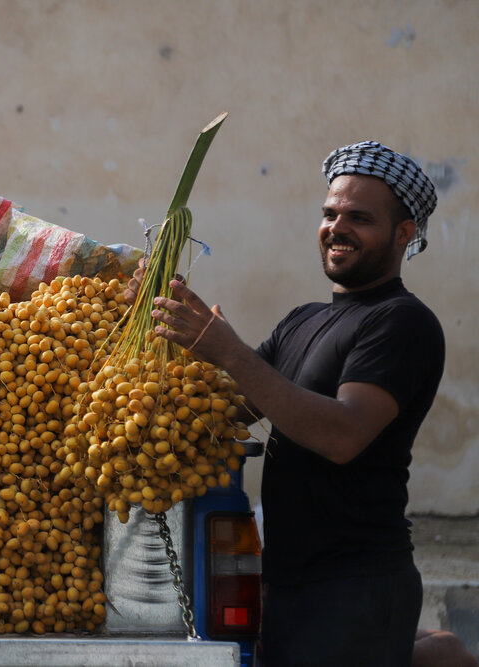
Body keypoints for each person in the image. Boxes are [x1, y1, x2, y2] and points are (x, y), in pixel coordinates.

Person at [139, 141, 445, 666]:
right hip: (287, 585)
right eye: (329, 213)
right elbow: (226, 411)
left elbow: (342, 435)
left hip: (354, 585)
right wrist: (160, 330)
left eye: (359, 217)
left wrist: (229, 350)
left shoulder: (401, 322)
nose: (337, 227)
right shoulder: (301, 320)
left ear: (404, 234)